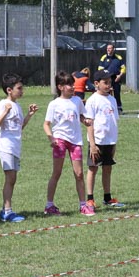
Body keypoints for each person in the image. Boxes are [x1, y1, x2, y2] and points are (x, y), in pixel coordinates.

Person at [43, 72, 91, 216]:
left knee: (79, 174)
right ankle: (49, 205)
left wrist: (85, 121)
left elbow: (81, 116)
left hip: (75, 141)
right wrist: (51, 139)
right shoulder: (54, 104)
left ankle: (83, 205)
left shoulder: (77, 100)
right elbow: (46, 124)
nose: (72, 87)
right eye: (69, 84)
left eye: (72, 84)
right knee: (57, 172)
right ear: (60, 87)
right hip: (60, 141)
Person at [0, 73, 38, 222]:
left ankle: (5, 210)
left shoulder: (17, 106)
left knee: (13, 179)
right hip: (6, 146)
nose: (22, 91)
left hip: (15, 146)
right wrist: (5, 111)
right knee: (10, 178)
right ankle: (7, 211)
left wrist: (29, 115)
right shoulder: (3, 104)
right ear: (9, 90)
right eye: (19, 88)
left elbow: (19, 127)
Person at [84, 68, 125, 210]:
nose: (108, 85)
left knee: (107, 169)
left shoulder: (112, 99)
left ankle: (107, 198)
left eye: (110, 82)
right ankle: (90, 199)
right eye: (105, 82)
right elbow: (89, 124)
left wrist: (114, 143)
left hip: (110, 141)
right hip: (97, 141)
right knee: (93, 169)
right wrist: (92, 144)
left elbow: (113, 122)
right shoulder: (92, 100)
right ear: (96, 84)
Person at [99, 43, 126, 113]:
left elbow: (123, 68)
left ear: (113, 49)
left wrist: (120, 75)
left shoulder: (118, 57)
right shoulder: (103, 57)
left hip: (116, 78)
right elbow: (100, 69)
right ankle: (106, 107)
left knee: (117, 93)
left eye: (110, 48)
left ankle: (119, 108)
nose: (108, 49)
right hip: (107, 79)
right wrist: (104, 77)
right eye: (107, 48)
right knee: (106, 93)